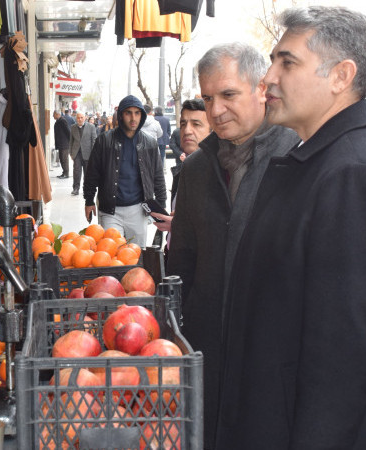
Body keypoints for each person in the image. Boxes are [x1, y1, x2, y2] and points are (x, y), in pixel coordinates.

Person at [216, 7, 366, 449]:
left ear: (341, 76)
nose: (269, 78)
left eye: (287, 62)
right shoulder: (324, 158)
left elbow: (343, 361)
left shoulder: (355, 172)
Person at [161, 44, 300, 447]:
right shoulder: (198, 168)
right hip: (207, 354)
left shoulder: (295, 158)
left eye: (228, 95)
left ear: (262, 88)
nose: (215, 109)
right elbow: (182, 258)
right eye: (207, 98)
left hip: (271, 358)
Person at [83, 95, 166, 246]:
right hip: (110, 210)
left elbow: (158, 176)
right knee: (112, 255)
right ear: (121, 115)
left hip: (138, 210)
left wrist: (161, 205)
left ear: (142, 115)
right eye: (128, 113)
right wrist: (89, 200)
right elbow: (92, 173)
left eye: (137, 113)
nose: (133, 118)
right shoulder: (104, 140)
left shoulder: (150, 143)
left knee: (136, 257)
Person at [150, 97, 211, 232]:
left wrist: (180, 227)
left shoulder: (219, 174)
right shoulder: (184, 170)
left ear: (212, 130)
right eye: (183, 124)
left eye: (196, 124)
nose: (187, 130)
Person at [69, 111, 97, 196]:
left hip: (88, 153)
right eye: (78, 117)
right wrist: (71, 153)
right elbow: (71, 141)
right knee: (76, 172)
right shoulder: (73, 127)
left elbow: (94, 140)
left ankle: (86, 189)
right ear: (76, 118)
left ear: (85, 118)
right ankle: (76, 188)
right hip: (77, 153)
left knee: (87, 173)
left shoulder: (91, 127)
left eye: (81, 117)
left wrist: (93, 154)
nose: (80, 119)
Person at [53, 110, 71, 179]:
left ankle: (66, 173)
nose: (53, 116)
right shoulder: (58, 121)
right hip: (61, 144)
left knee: (64, 159)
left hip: (64, 144)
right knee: (61, 158)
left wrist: (69, 142)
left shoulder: (62, 121)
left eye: (54, 114)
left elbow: (68, 131)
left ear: (57, 114)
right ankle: (64, 172)